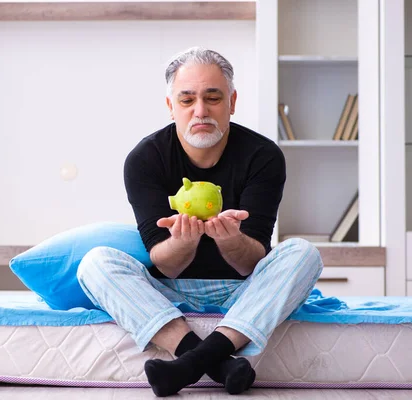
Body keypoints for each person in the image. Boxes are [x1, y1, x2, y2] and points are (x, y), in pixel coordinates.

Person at [76, 47, 323, 397]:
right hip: (169, 290)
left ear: (232, 102)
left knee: (304, 253)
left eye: (213, 98)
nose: (201, 111)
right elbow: (166, 264)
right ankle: (221, 364)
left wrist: (230, 240)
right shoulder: (145, 159)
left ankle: (188, 365)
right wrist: (184, 242)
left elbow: (250, 262)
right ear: (170, 105)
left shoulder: (263, 156)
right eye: (187, 99)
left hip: (244, 289)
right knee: (95, 263)